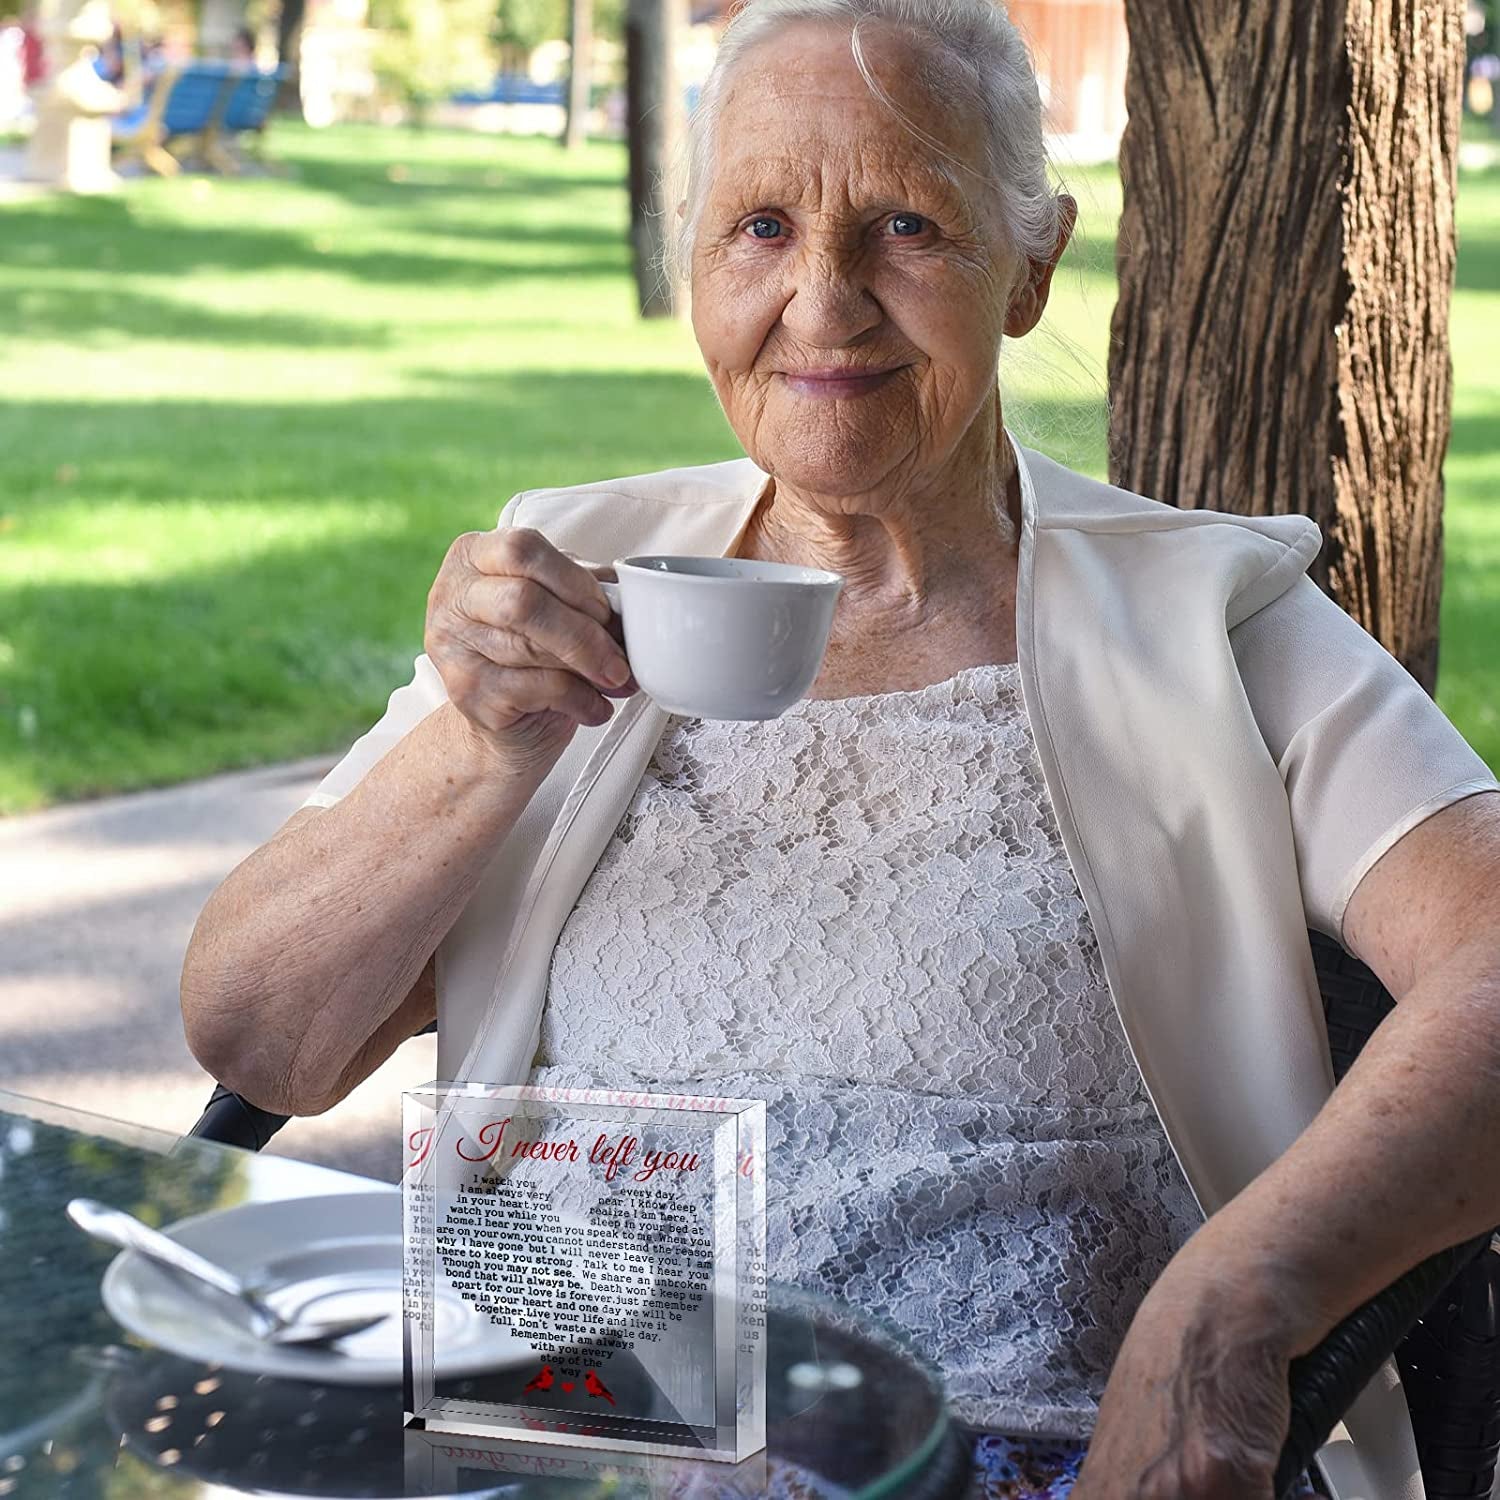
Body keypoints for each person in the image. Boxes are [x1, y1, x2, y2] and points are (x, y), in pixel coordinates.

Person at [181, 0, 1500, 1495]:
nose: (822, 303)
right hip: (561, 1430)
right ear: (693, 260)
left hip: (1000, 1450)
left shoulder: (1204, 614)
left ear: (1032, 265)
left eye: (905, 228)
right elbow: (259, 1040)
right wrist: (485, 749)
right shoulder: (576, 573)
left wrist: (1236, 1299)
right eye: (757, 226)